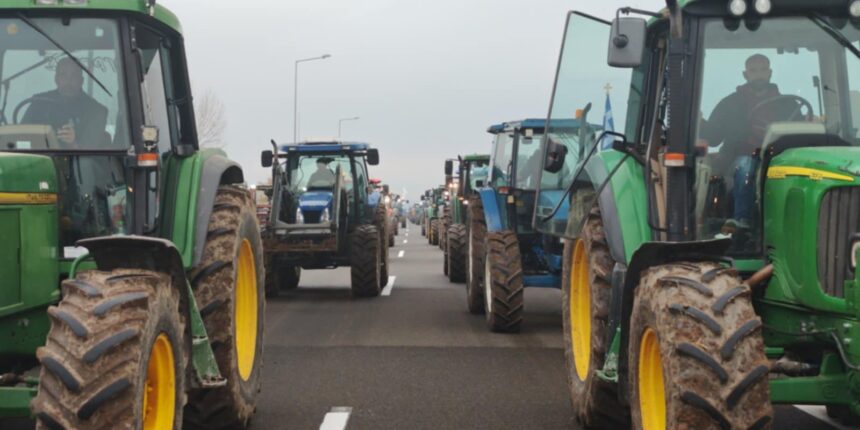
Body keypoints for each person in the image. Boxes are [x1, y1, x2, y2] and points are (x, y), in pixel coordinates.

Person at [699, 54, 797, 225]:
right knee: (745, 168)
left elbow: (799, 130)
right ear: (745, 75)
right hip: (742, 156)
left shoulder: (788, 104)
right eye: (753, 70)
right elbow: (713, 137)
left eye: (763, 70)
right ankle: (743, 220)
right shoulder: (730, 104)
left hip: (780, 157)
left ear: (770, 72)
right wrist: (699, 121)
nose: (759, 75)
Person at [22, 57, 108, 148]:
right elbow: (21, 135)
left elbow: (91, 153)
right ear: (56, 79)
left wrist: (72, 143)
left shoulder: (95, 111)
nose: (68, 80)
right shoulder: (39, 103)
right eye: (63, 75)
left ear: (81, 81)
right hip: (37, 156)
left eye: (74, 75)